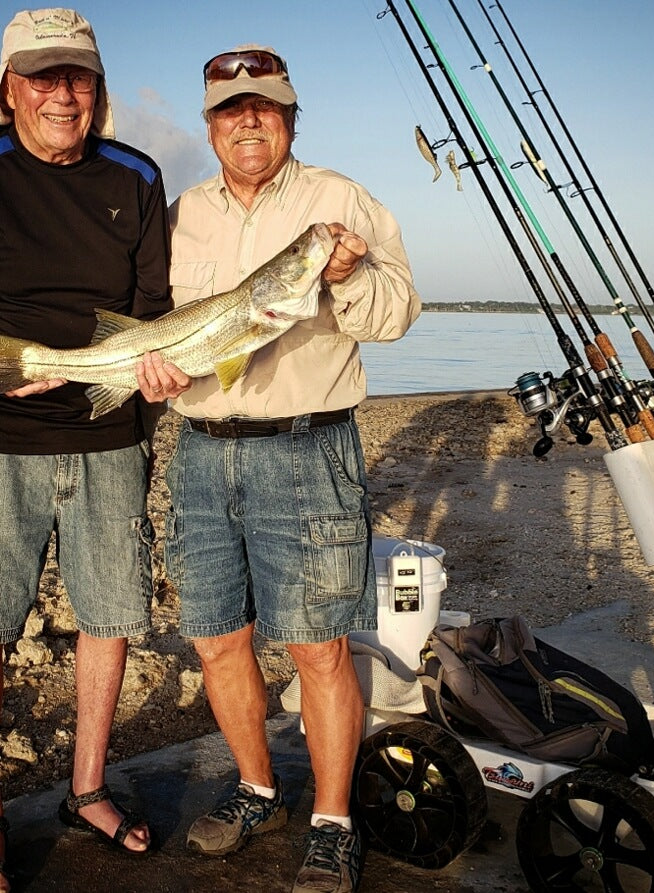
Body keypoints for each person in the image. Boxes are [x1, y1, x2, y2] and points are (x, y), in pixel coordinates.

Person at [0, 9, 187, 891]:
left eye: (80, 78)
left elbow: (153, 312)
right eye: (44, 76)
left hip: (110, 439)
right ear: (9, 87)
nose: (64, 94)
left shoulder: (136, 175)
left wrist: (160, 369)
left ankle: (87, 786)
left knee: (108, 617)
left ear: (98, 91)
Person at [139, 45, 421, 893]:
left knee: (318, 647)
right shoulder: (179, 213)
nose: (249, 120)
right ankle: (258, 786)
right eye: (231, 109)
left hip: (309, 444)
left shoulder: (340, 202)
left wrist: (350, 274)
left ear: (291, 115)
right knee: (218, 638)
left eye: (265, 105)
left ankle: (333, 822)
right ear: (211, 123)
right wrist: (152, 369)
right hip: (199, 453)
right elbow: (158, 328)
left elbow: (399, 310)